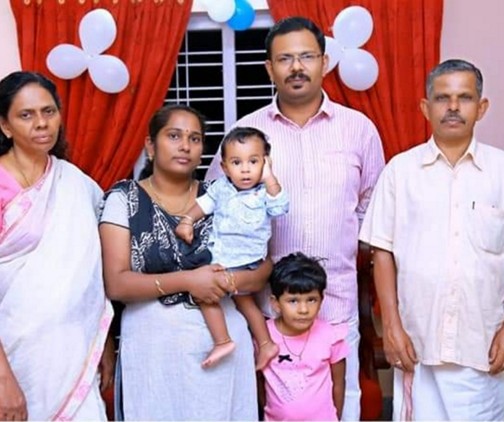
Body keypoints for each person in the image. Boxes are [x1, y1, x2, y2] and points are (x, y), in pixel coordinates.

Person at [206, 16, 385, 420]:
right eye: (285, 59)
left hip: (336, 307)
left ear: (324, 62)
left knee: (341, 408)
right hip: (265, 316)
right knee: (270, 411)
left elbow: (371, 209)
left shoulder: (359, 130)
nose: (297, 67)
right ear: (269, 68)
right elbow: (219, 209)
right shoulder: (245, 133)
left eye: (307, 56)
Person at [99, 104, 272, 420]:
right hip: (154, 351)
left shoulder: (223, 195)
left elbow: (261, 267)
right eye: (174, 136)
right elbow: (116, 283)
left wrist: (228, 281)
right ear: (151, 145)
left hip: (225, 349)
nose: (185, 146)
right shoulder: (124, 198)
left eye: (194, 138)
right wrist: (190, 281)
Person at [359, 59, 504, 420]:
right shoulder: (400, 171)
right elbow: (382, 251)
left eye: (464, 97)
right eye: (442, 98)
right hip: (417, 343)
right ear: (426, 107)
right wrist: (391, 326)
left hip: (483, 344)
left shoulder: (500, 171)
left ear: (481, 107)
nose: (453, 107)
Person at [0, 71, 114, 421]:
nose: (41, 123)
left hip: (74, 355)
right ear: (4, 126)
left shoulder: (76, 184)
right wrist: (3, 379)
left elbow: (91, 273)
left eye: (48, 111)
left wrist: (101, 339)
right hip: (10, 357)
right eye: (26, 115)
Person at [176, 126, 288, 369]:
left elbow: (280, 208)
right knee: (245, 302)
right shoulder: (220, 188)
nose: (245, 169)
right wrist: (187, 221)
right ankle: (266, 343)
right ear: (225, 167)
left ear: (265, 163)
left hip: (248, 261)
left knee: (204, 293)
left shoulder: (264, 193)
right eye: (237, 163)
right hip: (223, 256)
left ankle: (223, 341)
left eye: (254, 161)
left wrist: (269, 177)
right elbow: (203, 205)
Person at [259, 252, 348, 421]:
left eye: (311, 300)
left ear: (321, 301)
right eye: (293, 301)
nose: (303, 310)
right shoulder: (264, 336)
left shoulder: (331, 336)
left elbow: (339, 384)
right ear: (276, 303)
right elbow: (259, 383)